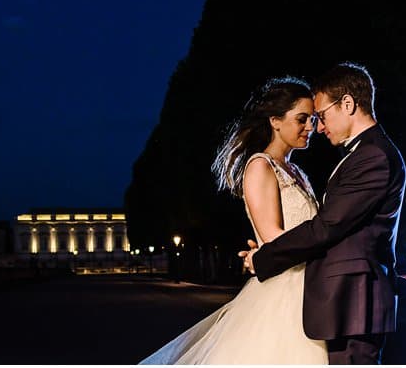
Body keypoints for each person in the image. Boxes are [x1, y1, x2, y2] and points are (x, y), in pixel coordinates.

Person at [141, 76, 329, 364]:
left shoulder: (295, 171)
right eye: (302, 119)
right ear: (275, 121)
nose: (310, 128)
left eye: (314, 120)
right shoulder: (259, 166)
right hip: (285, 293)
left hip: (309, 287)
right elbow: (272, 237)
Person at [241, 62, 406, 365]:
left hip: (353, 300)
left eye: (320, 116)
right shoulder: (362, 154)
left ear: (347, 103)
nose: (318, 127)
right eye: (307, 119)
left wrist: (264, 256)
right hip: (336, 298)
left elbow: (327, 226)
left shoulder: (371, 155)